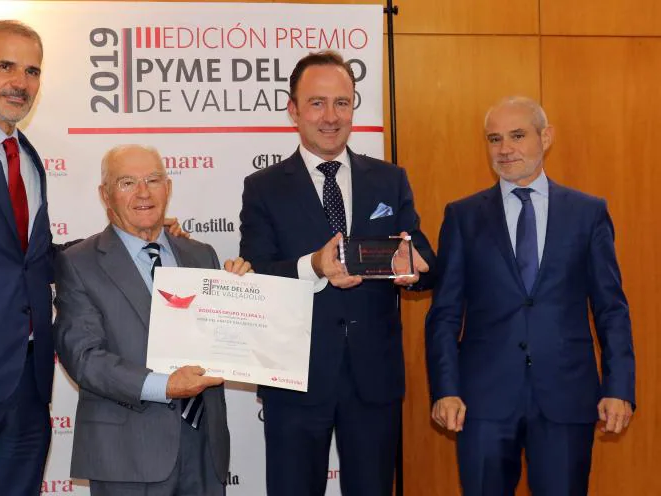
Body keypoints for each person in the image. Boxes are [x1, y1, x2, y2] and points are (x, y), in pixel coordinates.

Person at [0, 21, 187, 495]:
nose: (20, 82)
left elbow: (31, 260)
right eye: (6, 67)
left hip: (27, 394)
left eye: (32, 71)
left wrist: (131, 234)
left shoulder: (27, 156)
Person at [238, 50, 436, 496]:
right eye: (317, 103)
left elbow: (421, 256)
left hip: (373, 380)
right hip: (294, 379)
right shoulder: (263, 187)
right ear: (293, 111)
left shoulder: (389, 179)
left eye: (342, 103)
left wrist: (414, 270)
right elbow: (258, 274)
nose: (331, 116)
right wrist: (313, 265)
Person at [426, 96, 635, 495]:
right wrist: (446, 388)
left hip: (566, 395)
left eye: (517, 136)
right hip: (482, 401)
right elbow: (445, 314)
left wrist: (618, 388)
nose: (505, 149)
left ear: (546, 137)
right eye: (494, 139)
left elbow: (611, 308)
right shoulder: (463, 216)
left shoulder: (587, 213)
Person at [53, 144, 250, 496]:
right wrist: (165, 386)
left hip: (205, 450)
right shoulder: (79, 263)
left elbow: (222, 342)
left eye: (153, 180)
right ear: (105, 194)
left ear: (168, 188)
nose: (143, 192)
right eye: (127, 182)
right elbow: (84, 358)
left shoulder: (201, 255)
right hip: (127, 456)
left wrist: (243, 297)